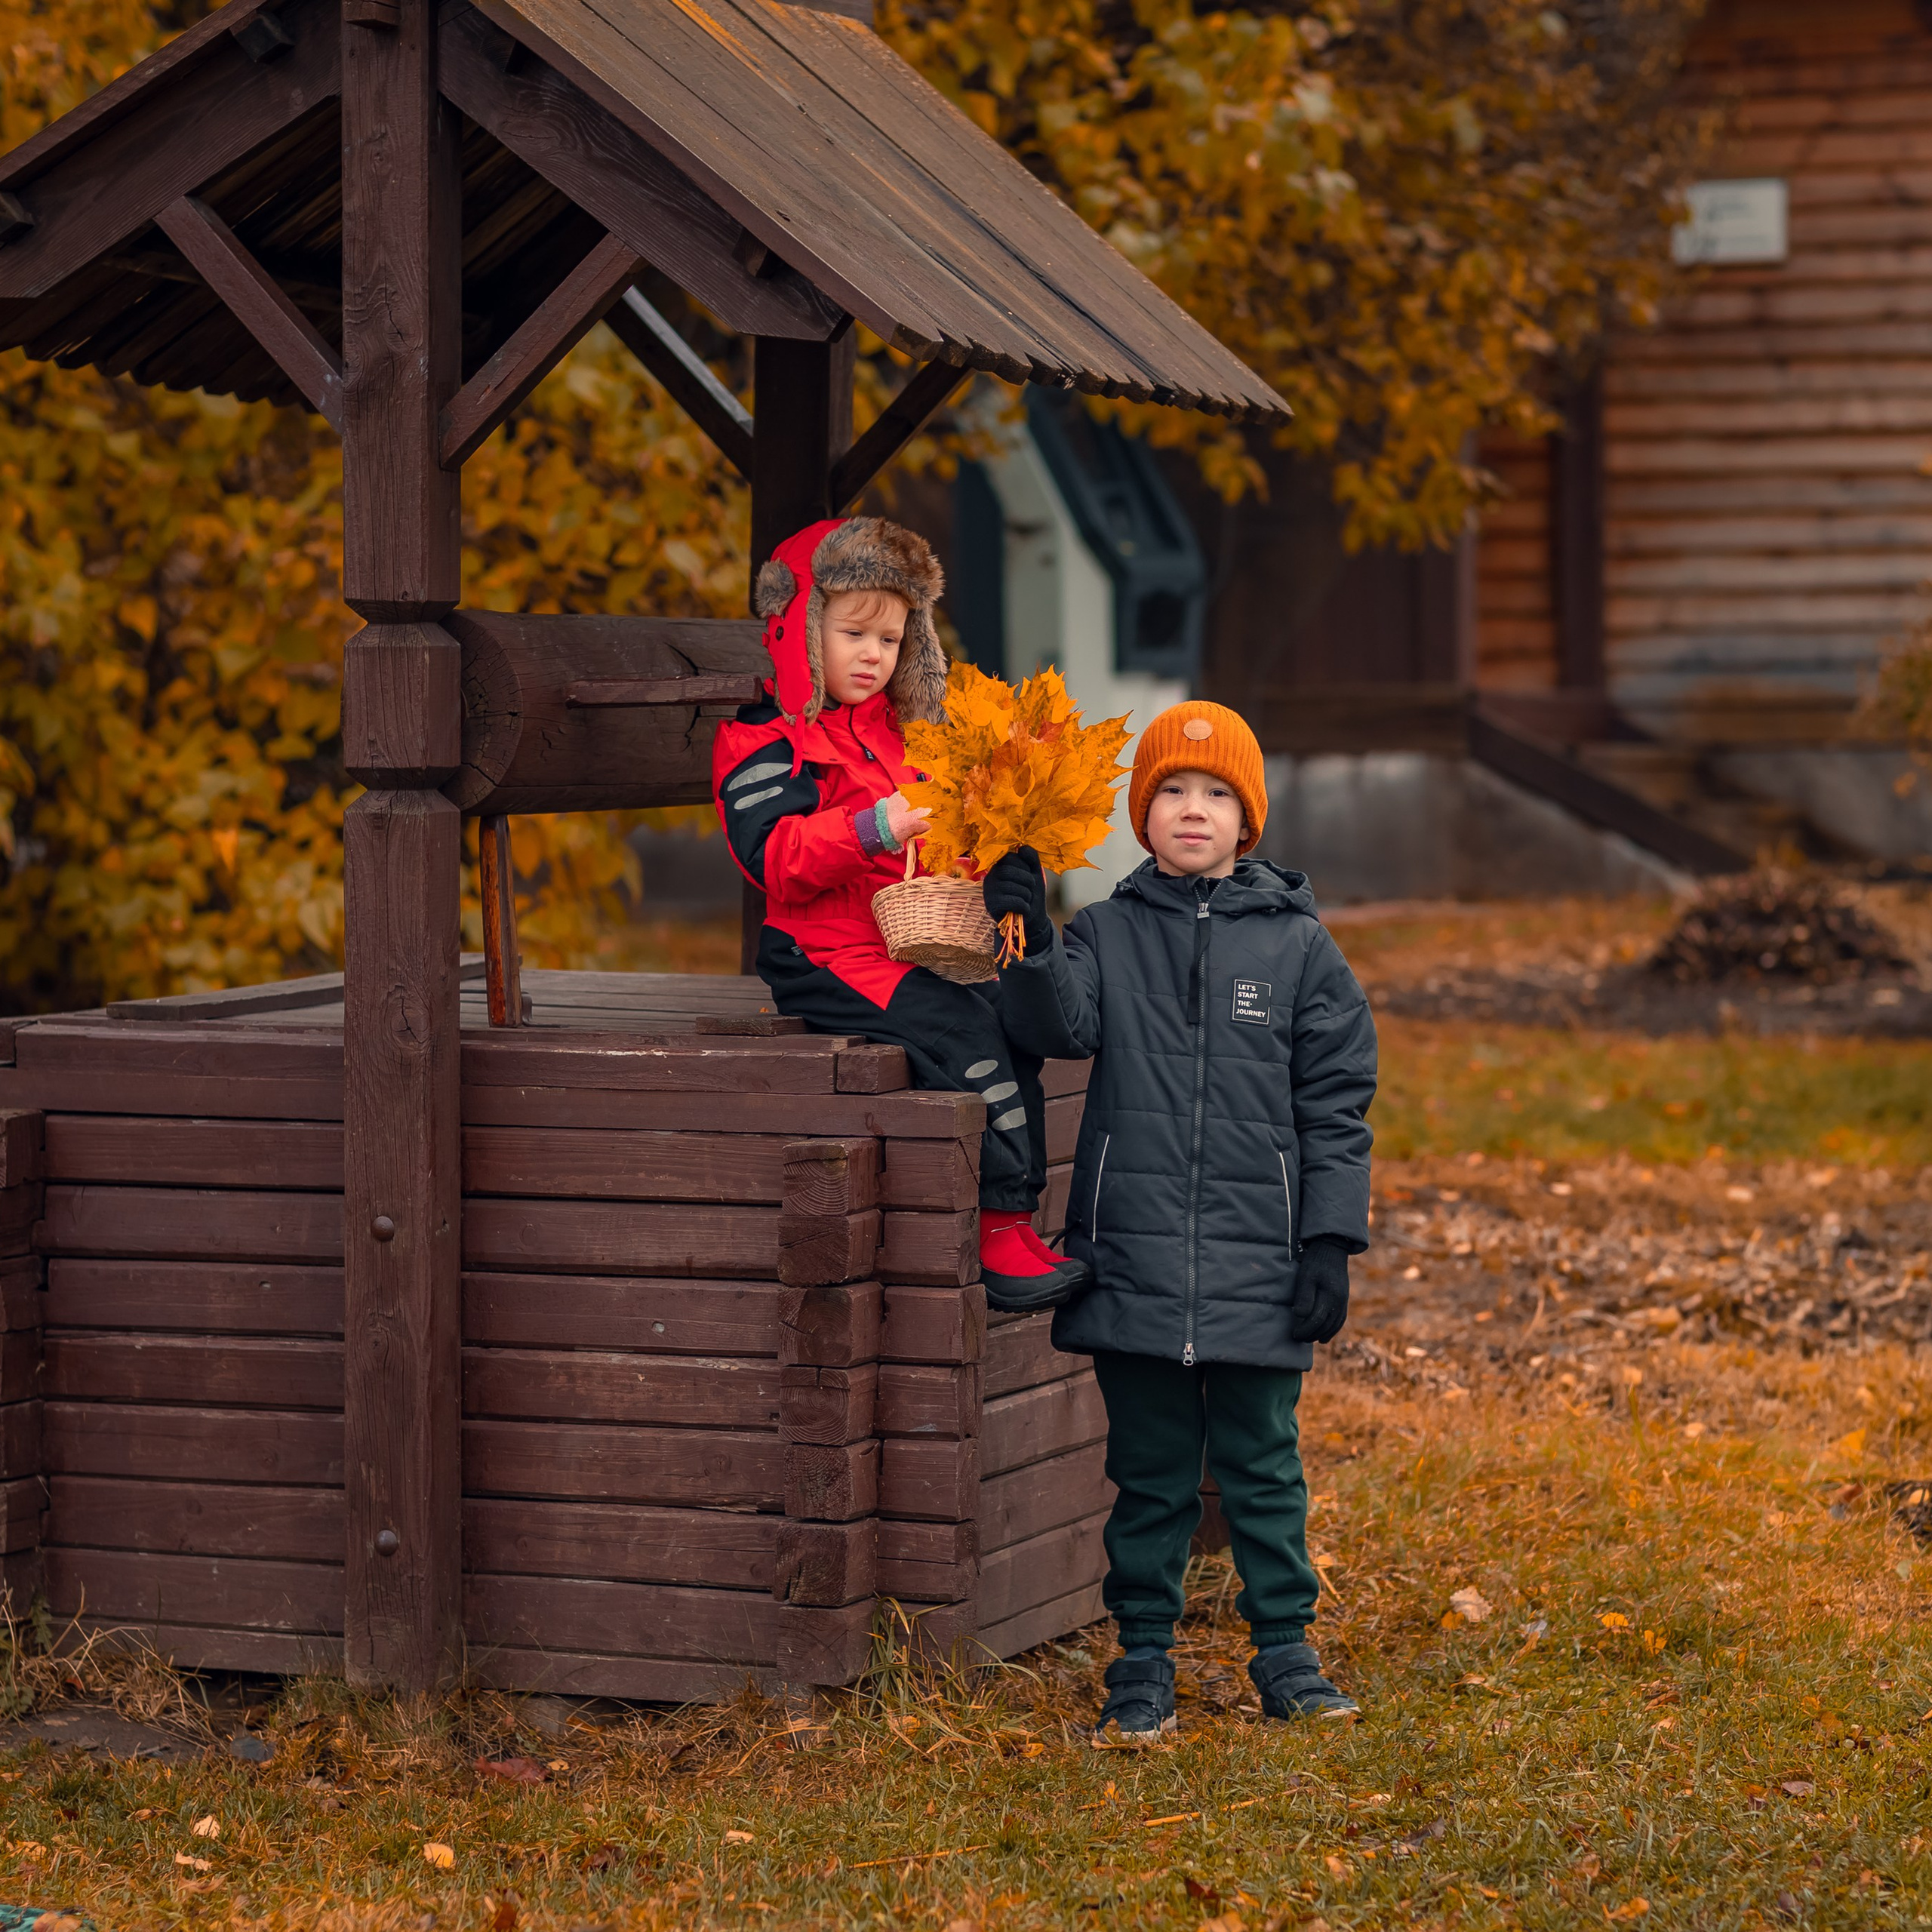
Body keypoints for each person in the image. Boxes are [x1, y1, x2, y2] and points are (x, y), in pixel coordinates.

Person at [984, 699, 1377, 1739]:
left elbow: (1338, 1099)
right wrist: (1022, 937)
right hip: (1136, 1262)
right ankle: (1142, 1661)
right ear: (1141, 816)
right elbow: (1056, 1028)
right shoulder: (1105, 935)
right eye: (1170, 792)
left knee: (1262, 1466)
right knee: (1150, 1476)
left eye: (1215, 794)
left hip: (1261, 1265)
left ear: (1247, 821)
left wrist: (1329, 1240)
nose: (1192, 810)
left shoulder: (1300, 951)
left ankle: (1287, 1654)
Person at [712, 516, 1088, 1310]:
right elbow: (772, 858)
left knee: (1014, 1026)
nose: (873, 655)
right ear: (798, 630)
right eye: (852, 633)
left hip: (911, 939)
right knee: (964, 1034)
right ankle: (992, 1234)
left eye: (891, 638)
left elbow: (942, 841)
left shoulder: (906, 734)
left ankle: (1018, 1220)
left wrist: (991, 851)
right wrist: (874, 824)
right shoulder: (765, 742)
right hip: (822, 952)